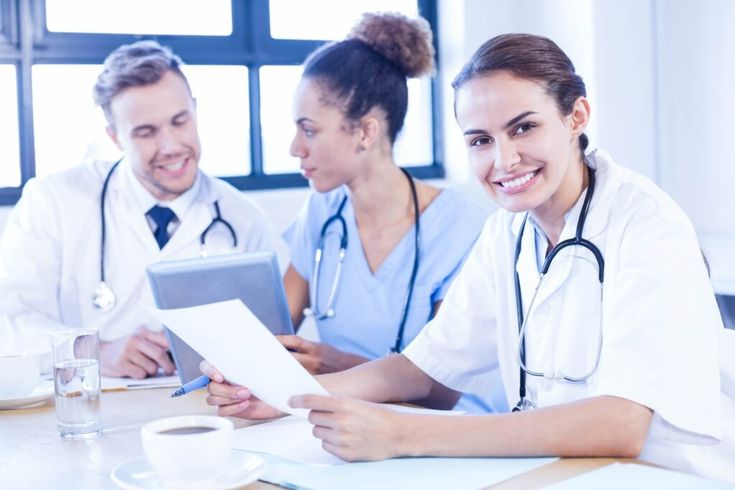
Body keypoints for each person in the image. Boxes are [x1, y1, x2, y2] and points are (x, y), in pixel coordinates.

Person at [203, 33, 734, 483]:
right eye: (480, 140)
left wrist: (404, 434)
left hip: (663, 476)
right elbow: (424, 365)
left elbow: (622, 424)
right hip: (564, 470)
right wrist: (286, 395)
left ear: (577, 116)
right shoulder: (508, 230)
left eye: (524, 127)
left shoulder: (647, 226)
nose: (503, 160)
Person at [0, 40, 273, 379]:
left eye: (180, 121)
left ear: (196, 112)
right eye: (146, 133)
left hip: (210, 412)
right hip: (92, 409)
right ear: (115, 137)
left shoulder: (243, 218)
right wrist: (95, 351)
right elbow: (8, 324)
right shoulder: (53, 200)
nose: (171, 146)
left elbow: (273, 342)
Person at [276, 13, 499, 412]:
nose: (296, 147)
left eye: (309, 130)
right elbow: (273, 335)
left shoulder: (460, 229)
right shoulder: (321, 212)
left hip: (447, 436)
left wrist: (336, 367)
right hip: (342, 422)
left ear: (365, 132)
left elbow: (443, 391)